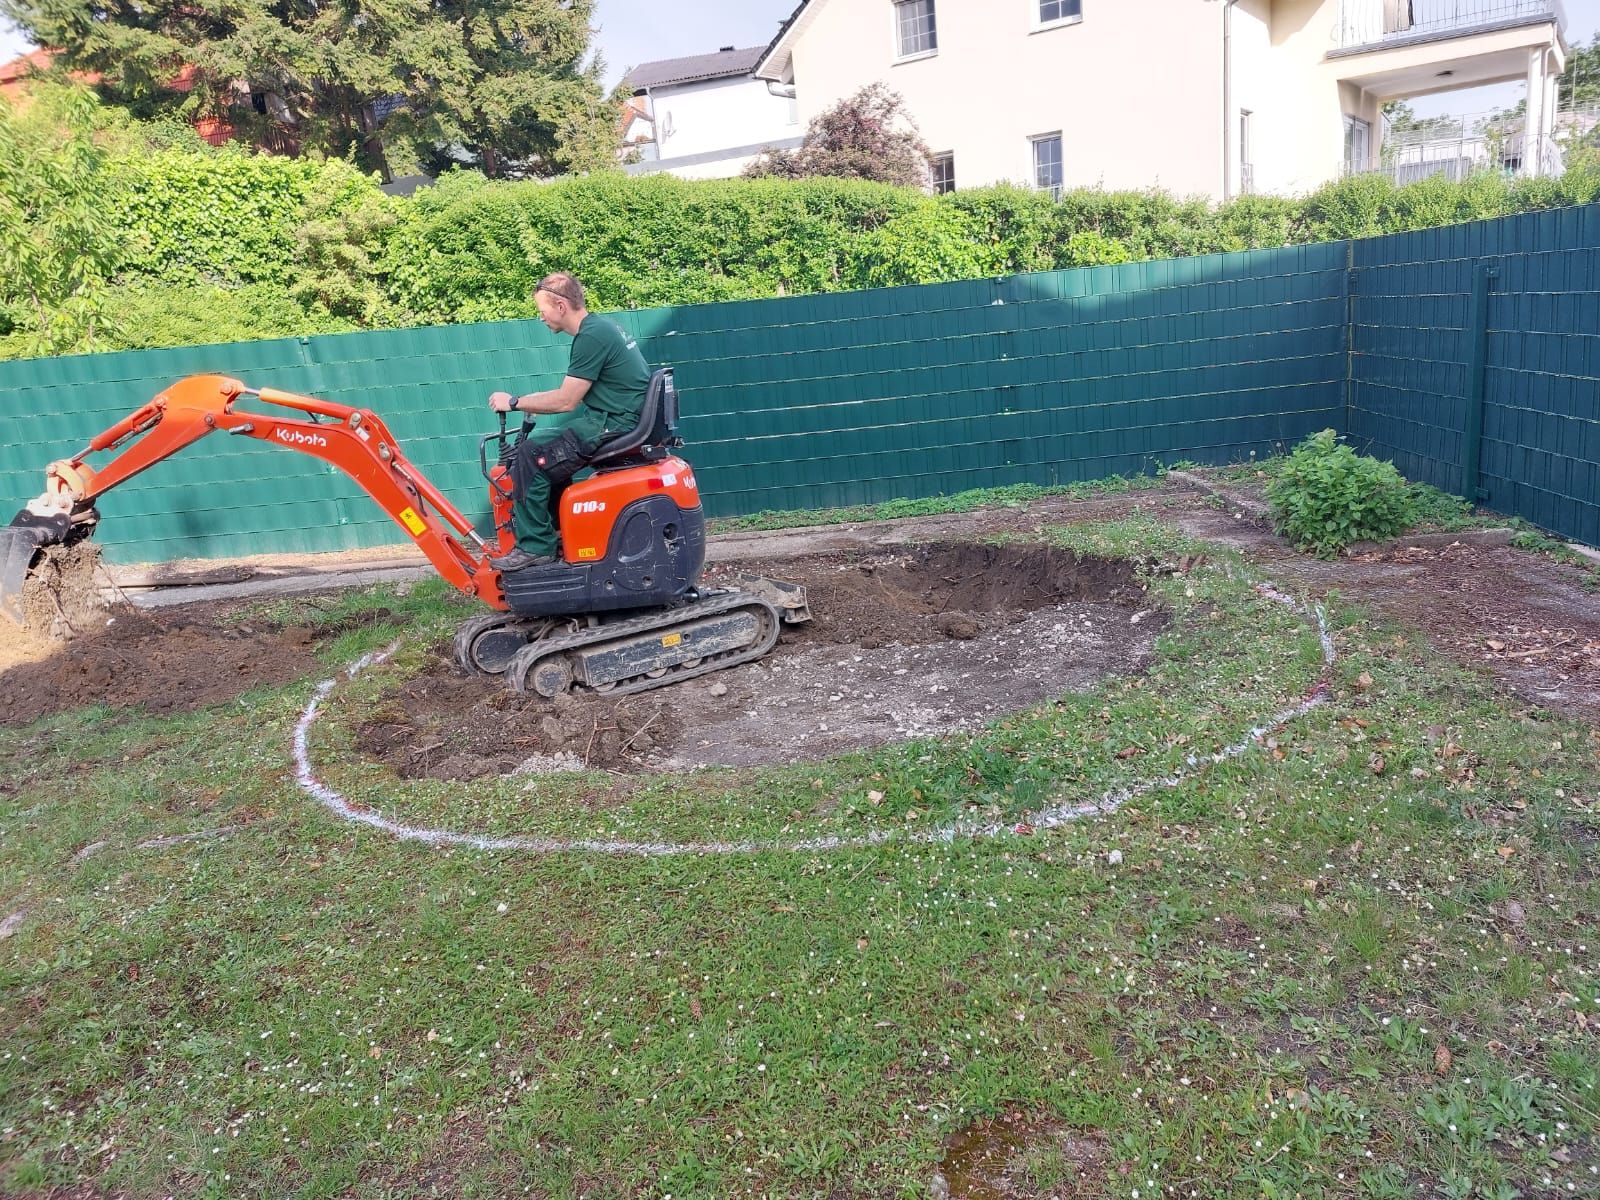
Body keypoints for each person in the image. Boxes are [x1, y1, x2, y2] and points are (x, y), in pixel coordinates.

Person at [486, 273, 651, 572]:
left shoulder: (591, 337)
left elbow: (566, 401)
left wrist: (514, 402)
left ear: (561, 306)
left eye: (542, 310)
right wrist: (525, 400)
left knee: (531, 454)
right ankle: (561, 534)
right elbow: (569, 391)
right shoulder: (600, 327)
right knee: (549, 452)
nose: (540, 317)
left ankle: (535, 546)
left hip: (614, 421)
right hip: (616, 417)